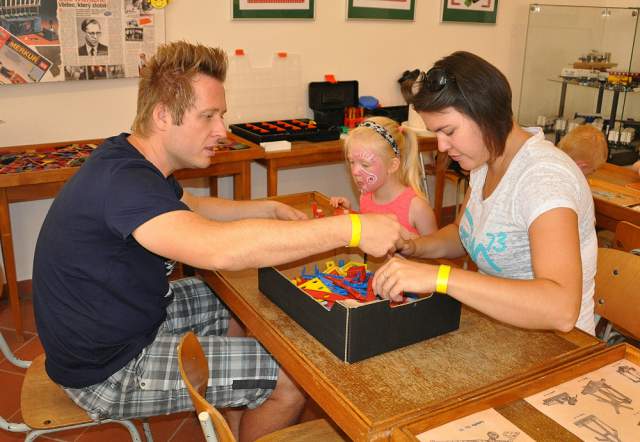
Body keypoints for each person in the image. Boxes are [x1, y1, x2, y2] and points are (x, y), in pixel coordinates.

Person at [33, 41, 407, 441]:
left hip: (127, 323)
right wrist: (352, 229)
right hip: (109, 369)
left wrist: (268, 208)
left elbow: (192, 206)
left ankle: (236, 419)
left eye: (222, 115)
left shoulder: (133, 160)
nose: (222, 131)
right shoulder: (125, 183)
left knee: (242, 302)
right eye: (208, 116)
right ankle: (258, 399)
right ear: (163, 115)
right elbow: (219, 249)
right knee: (291, 380)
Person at [375, 51, 598, 335]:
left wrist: (441, 277)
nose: (442, 146)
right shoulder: (485, 159)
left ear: (485, 113)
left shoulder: (544, 179)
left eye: (449, 131)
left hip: (560, 345)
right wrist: (414, 246)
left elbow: (561, 310)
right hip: (500, 331)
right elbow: (464, 234)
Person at [329, 116, 437, 236]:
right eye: (352, 162)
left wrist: (409, 243)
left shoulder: (417, 208)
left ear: (392, 165)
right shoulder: (365, 197)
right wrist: (349, 213)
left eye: (365, 165)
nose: (355, 171)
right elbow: (369, 233)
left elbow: (434, 247)